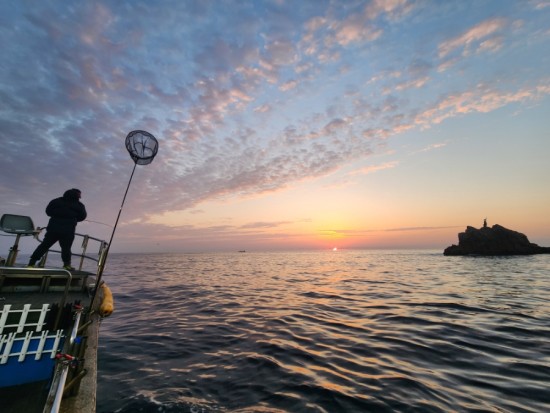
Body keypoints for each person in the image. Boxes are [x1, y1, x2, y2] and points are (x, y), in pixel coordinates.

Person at [27, 188, 87, 270]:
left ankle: (31, 263)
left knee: (44, 245)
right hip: (68, 230)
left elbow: (48, 212)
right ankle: (67, 265)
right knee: (66, 248)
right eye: (79, 195)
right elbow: (82, 217)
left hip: (53, 229)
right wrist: (73, 218)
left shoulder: (56, 201)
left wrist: (58, 215)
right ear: (77, 195)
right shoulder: (80, 205)